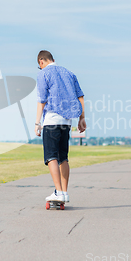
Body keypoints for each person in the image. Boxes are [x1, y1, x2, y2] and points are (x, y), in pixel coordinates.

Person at [35, 50, 86, 203]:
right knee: (63, 157)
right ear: (53, 59)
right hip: (66, 122)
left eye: (40, 66)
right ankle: (64, 192)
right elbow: (80, 96)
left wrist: (37, 123)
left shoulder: (44, 74)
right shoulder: (69, 73)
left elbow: (42, 100)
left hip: (51, 120)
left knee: (51, 156)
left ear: (41, 61)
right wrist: (82, 118)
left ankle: (58, 191)